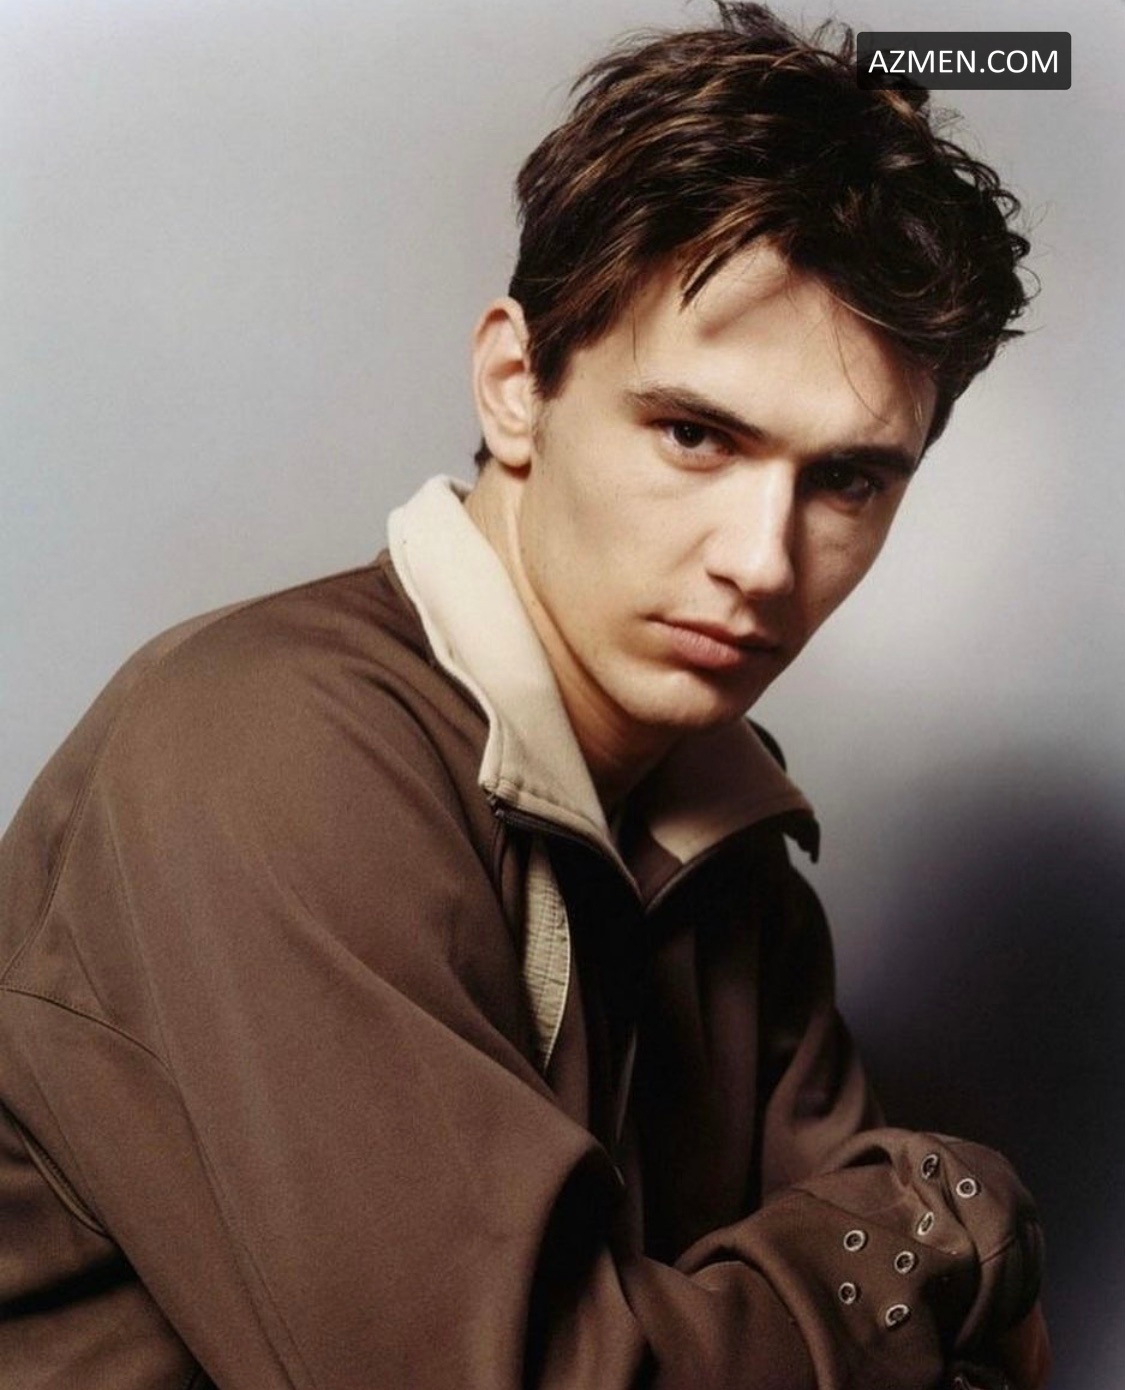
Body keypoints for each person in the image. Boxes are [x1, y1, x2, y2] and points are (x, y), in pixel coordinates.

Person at [0, 4, 1051, 1387]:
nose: (760, 562)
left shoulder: (723, 838)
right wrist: (946, 1219)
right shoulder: (263, 751)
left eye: (846, 479)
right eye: (694, 434)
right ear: (514, 384)